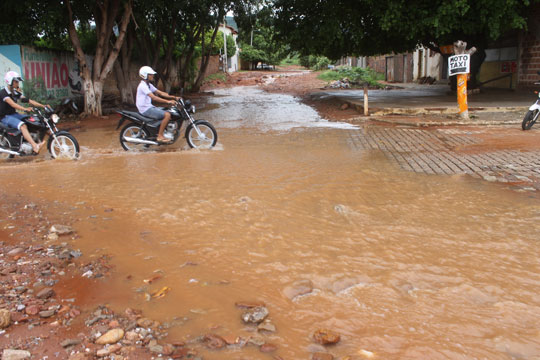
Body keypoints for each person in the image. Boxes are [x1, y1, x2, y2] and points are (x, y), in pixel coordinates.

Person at [0, 71, 49, 153]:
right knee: (22, 126)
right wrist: (25, 109)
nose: (17, 83)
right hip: (4, 117)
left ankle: (34, 140)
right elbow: (12, 104)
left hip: (13, 114)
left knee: (33, 121)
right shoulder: (3, 93)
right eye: (16, 81)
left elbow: (28, 100)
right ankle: (35, 146)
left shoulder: (15, 92)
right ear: (10, 81)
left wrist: (43, 106)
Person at [136, 66, 181, 143]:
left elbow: (160, 93)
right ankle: (160, 136)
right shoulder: (143, 86)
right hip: (145, 109)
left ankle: (164, 131)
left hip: (149, 107)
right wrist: (168, 102)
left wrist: (174, 97)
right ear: (145, 75)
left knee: (169, 111)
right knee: (167, 115)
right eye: (151, 74)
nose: (152, 76)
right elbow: (154, 98)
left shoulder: (148, 85)